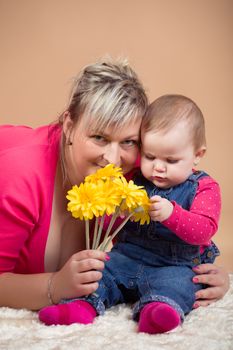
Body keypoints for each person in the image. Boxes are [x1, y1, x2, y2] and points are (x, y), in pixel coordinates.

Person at [0, 59, 229, 314]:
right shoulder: (20, 175)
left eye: (129, 141)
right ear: (69, 125)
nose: (112, 158)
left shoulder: (136, 168)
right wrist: (54, 286)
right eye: (99, 137)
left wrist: (201, 275)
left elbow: (186, 209)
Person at [39, 94, 223, 334]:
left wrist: (172, 214)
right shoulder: (133, 179)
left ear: (197, 155)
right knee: (98, 276)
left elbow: (204, 230)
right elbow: (107, 223)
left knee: (179, 286)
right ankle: (79, 309)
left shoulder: (204, 187)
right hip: (125, 258)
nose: (158, 167)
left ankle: (157, 312)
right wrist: (114, 211)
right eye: (149, 156)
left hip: (172, 264)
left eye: (171, 159)